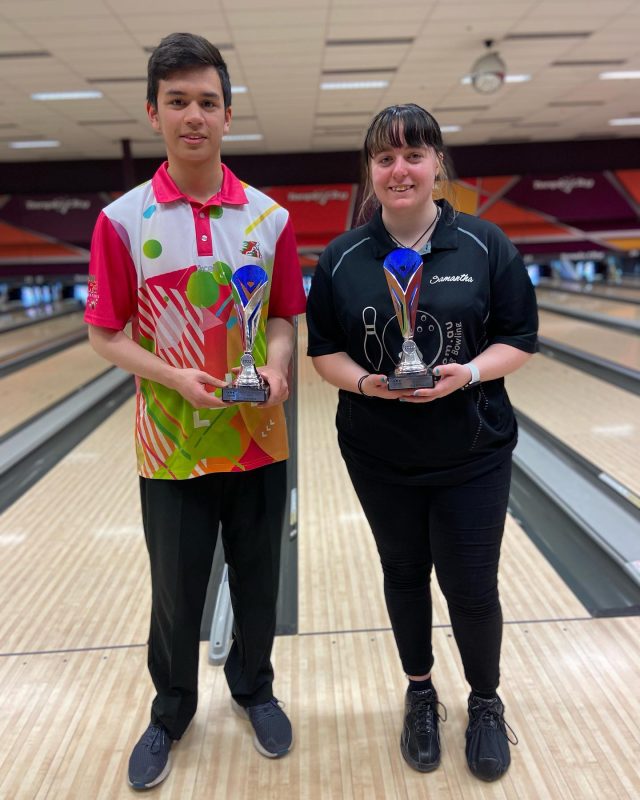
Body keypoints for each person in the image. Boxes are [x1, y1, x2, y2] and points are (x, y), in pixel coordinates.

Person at [85, 32, 306, 790]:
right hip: (170, 444)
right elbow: (103, 334)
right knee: (176, 594)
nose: (193, 115)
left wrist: (275, 364)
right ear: (154, 112)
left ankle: (255, 690)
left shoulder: (270, 218)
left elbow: (282, 316)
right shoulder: (122, 219)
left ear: (227, 114)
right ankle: (171, 710)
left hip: (258, 438)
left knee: (257, 577)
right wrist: (173, 379)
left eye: (207, 102)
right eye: (177, 101)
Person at [306, 103, 537, 782]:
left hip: (474, 450)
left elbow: (518, 339)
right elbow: (325, 354)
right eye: (385, 158)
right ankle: (420, 692)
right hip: (380, 454)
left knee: (471, 586)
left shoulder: (485, 244)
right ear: (370, 172)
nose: (399, 169)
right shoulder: (342, 257)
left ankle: (486, 702)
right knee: (403, 575)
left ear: (437, 164)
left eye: (413, 155)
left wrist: (466, 372)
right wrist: (372, 385)